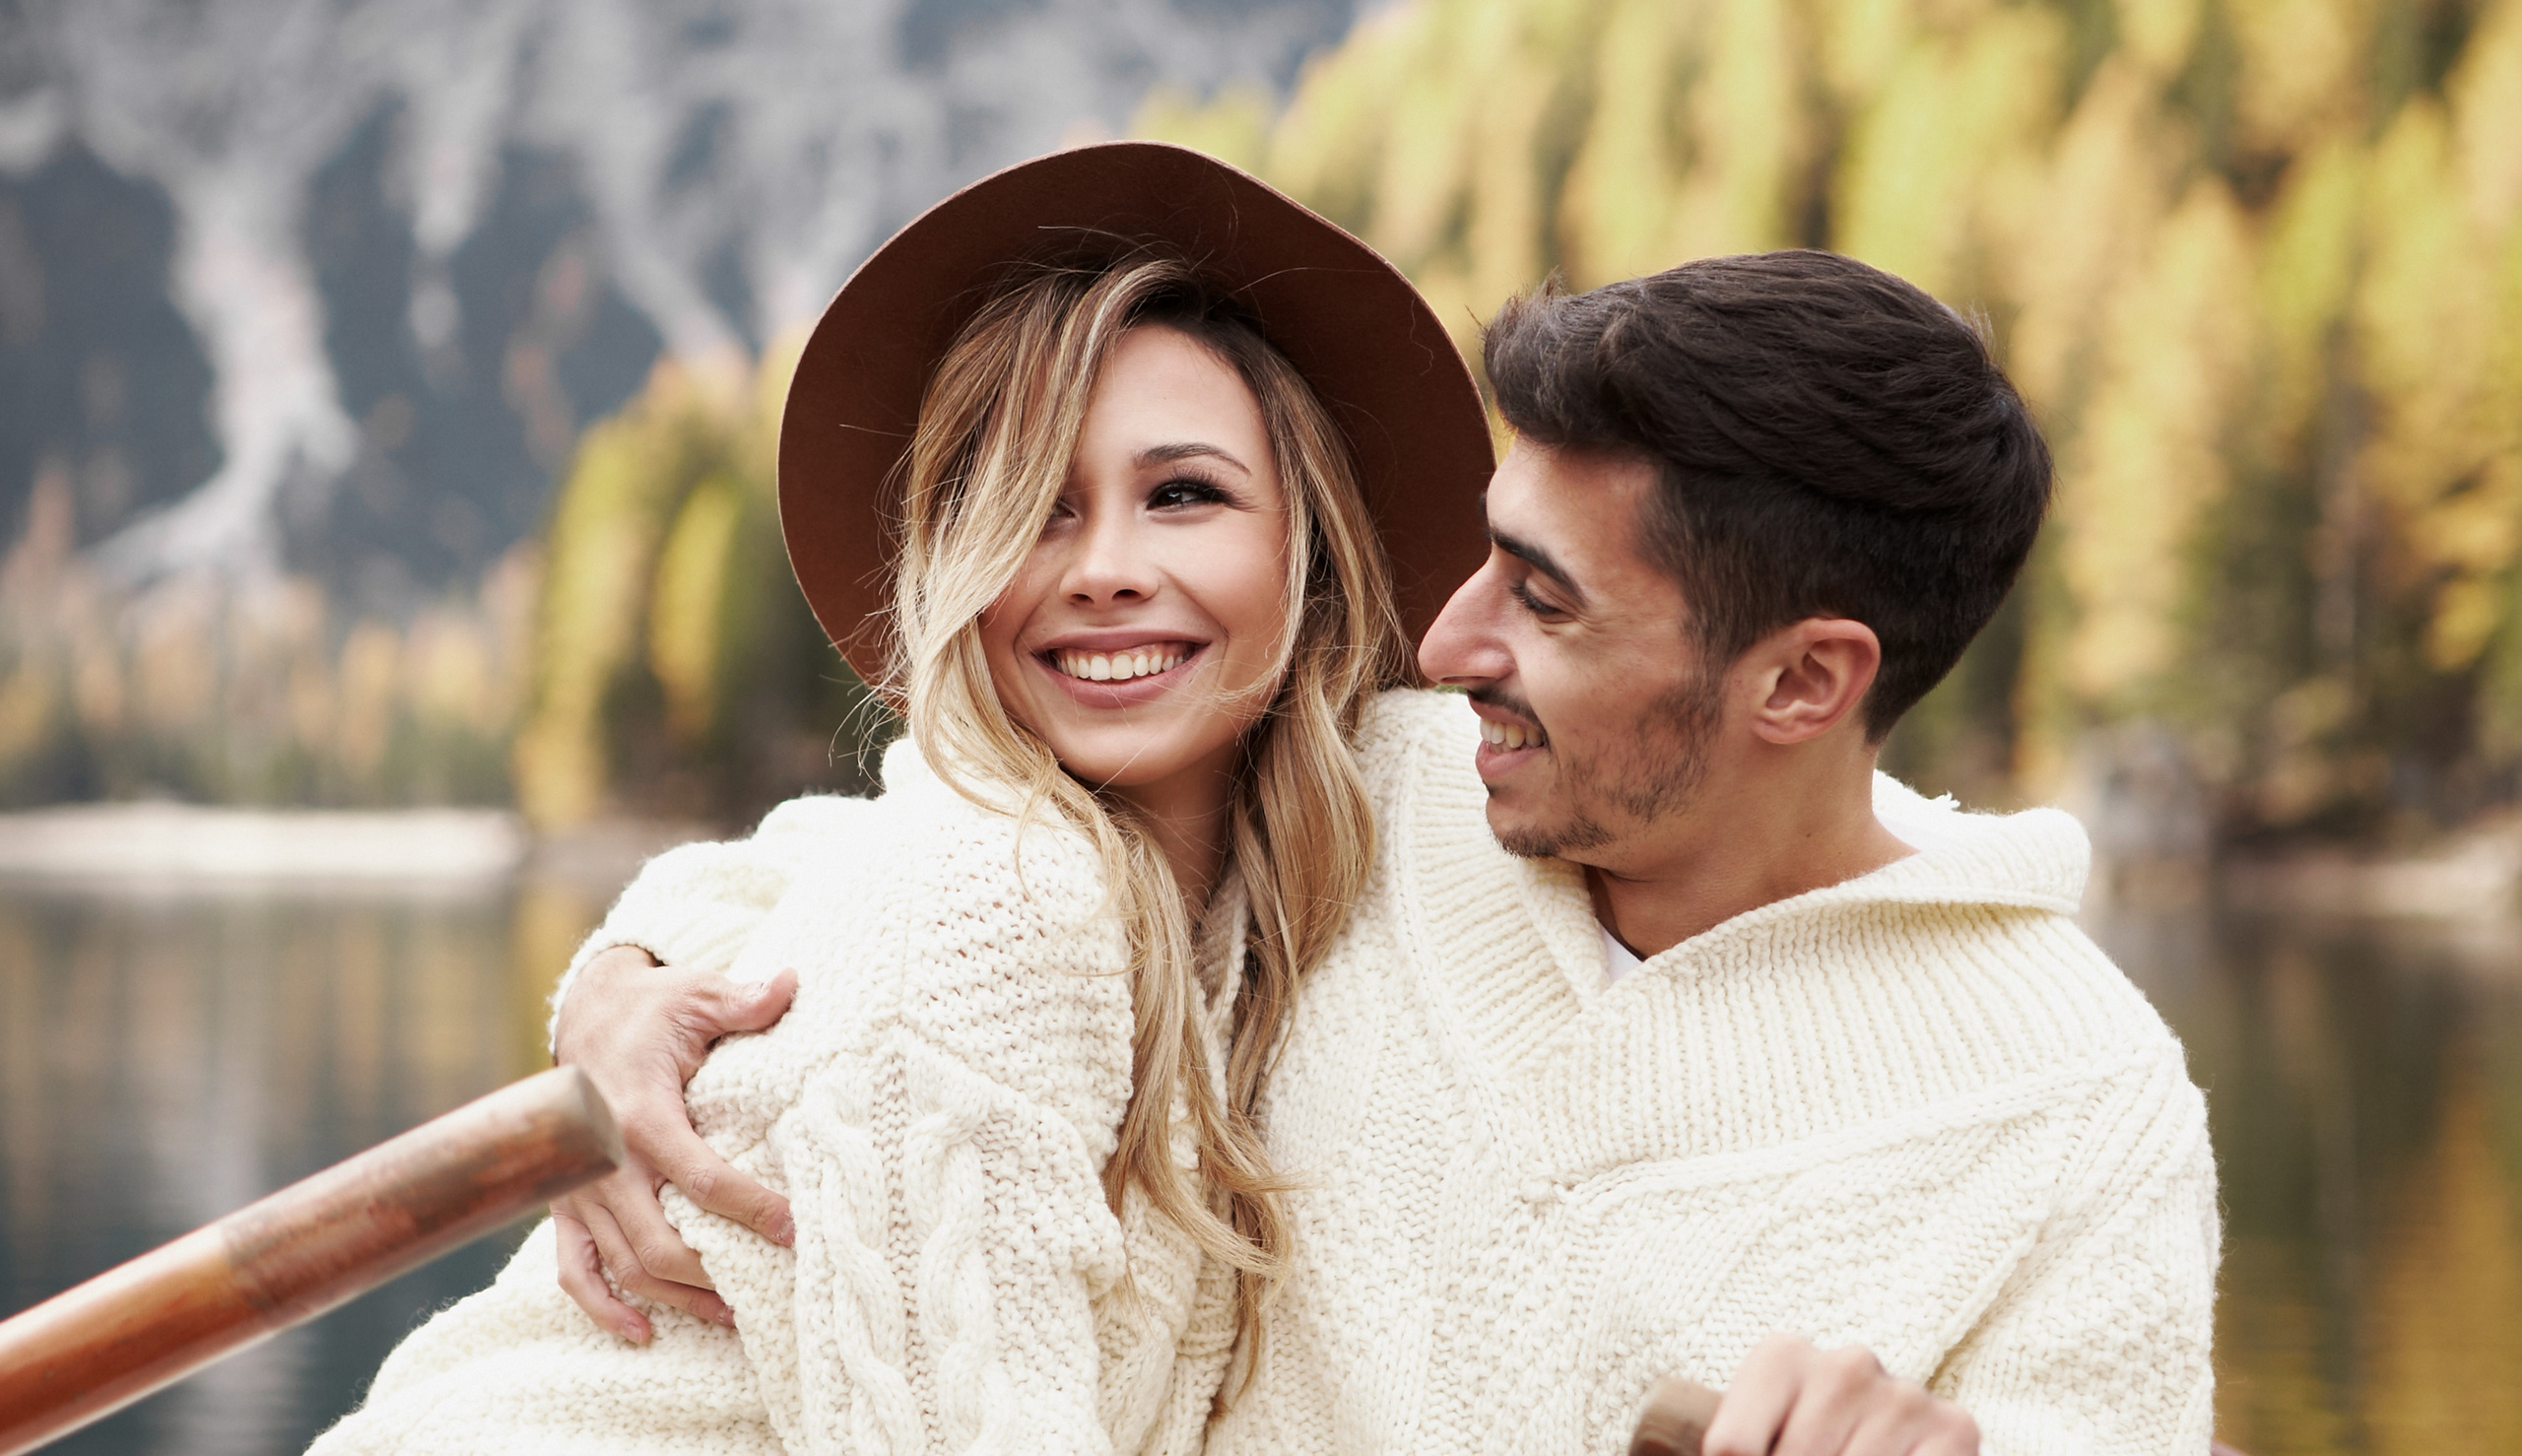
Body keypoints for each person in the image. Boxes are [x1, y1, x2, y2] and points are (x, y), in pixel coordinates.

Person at [563, 249, 2220, 1454]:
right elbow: (923, 850)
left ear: (1804, 681)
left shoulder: (2083, 1108)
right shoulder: (1371, 783)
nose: (1441, 637)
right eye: (1490, 555)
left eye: (1545, 599)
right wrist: (627, 979)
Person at [305, 141, 1496, 1454]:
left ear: (1309, 553)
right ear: (960, 568)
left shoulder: (1238, 892)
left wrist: (622, 963)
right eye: (1032, 508)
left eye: (1182, 495)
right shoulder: (1003, 898)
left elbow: (796, 856)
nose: (1103, 568)